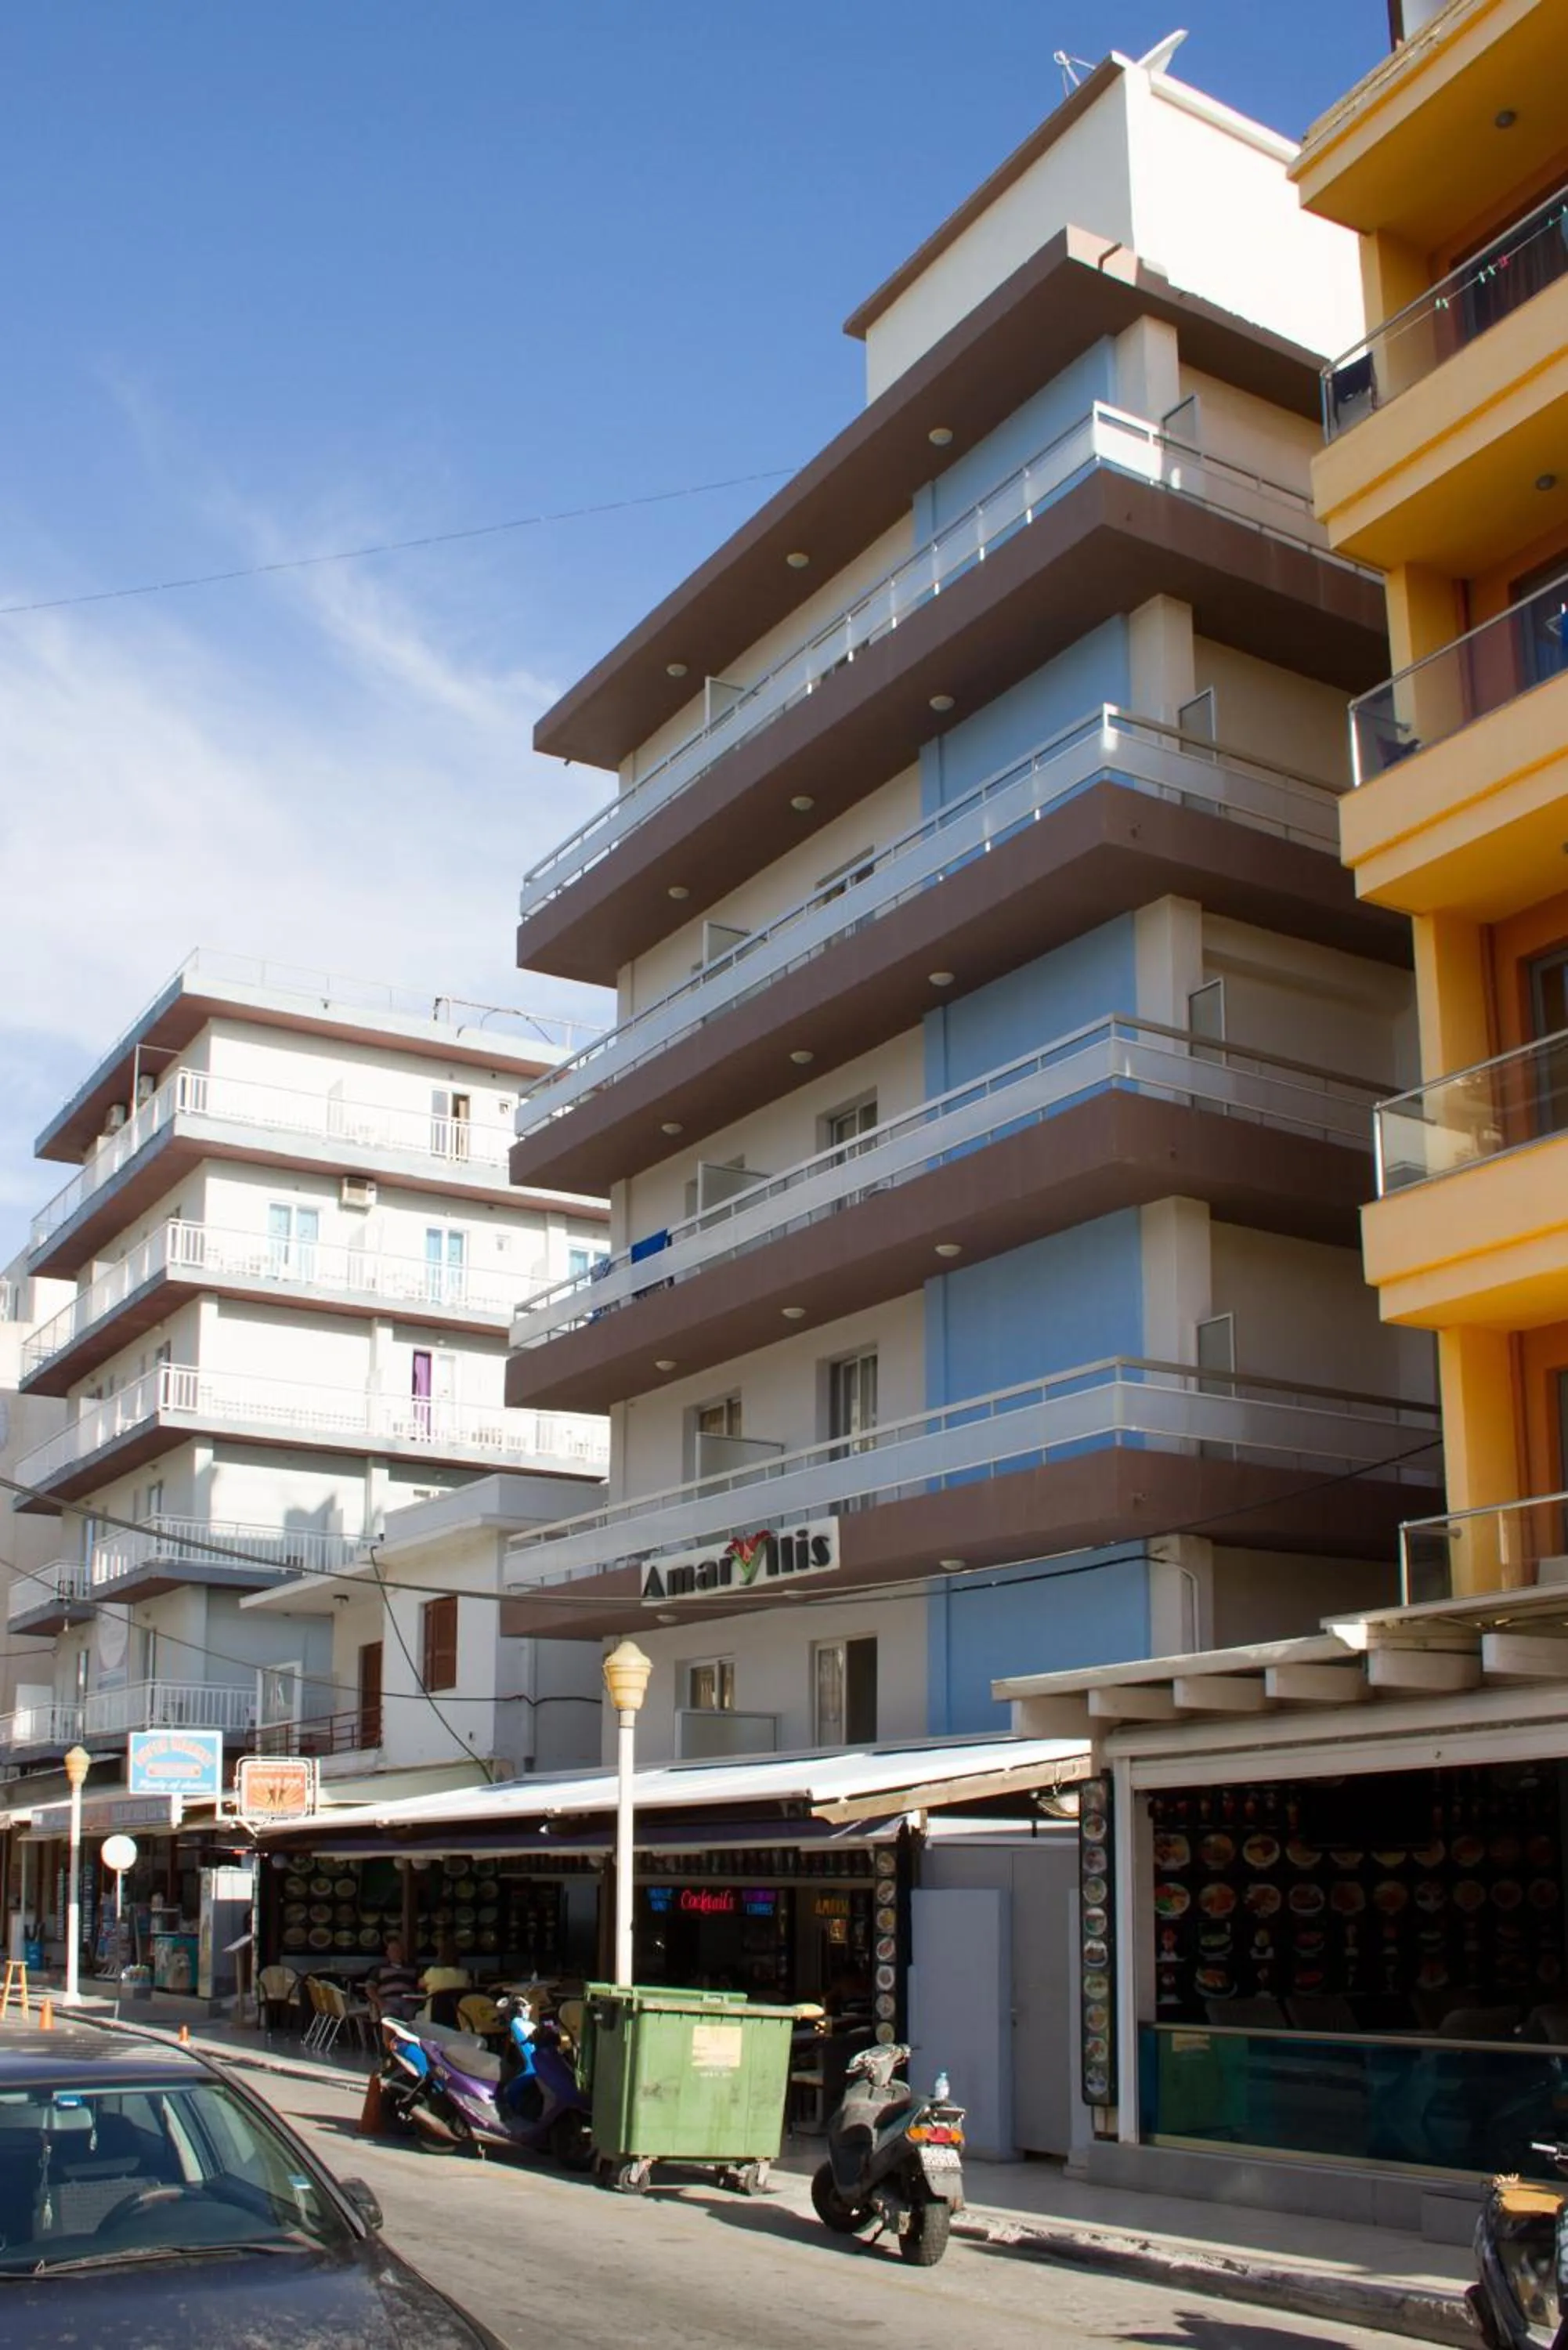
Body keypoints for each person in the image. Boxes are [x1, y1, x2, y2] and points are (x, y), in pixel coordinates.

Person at [419, 1934, 472, 2025]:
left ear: (440, 1955)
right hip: (459, 2018)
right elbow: (469, 1987)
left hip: (434, 2016)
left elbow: (420, 1984)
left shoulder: (433, 1972)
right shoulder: (464, 1974)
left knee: (417, 2016)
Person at [366, 1936, 421, 2023]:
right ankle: (388, 2037)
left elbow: (421, 1986)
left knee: (413, 2017)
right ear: (388, 1953)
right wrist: (380, 2002)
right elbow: (370, 1989)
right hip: (387, 2000)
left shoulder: (413, 1969)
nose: (396, 1952)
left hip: (408, 2001)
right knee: (390, 2017)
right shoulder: (379, 1969)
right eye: (393, 1950)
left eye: (399, 1950)